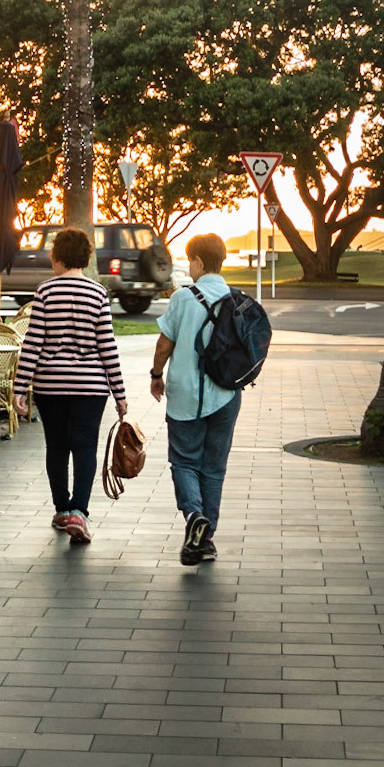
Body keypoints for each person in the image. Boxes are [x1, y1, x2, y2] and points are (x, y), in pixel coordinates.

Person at [13, 227, 127, 544]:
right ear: (86, 257)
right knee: (85, 447)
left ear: (58, 257)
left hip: (50, 385)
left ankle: (62, 509)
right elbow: (107, 346)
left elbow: (33, 344)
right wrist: (119, 393)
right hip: (91, 386)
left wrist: (19, 387)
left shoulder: (45, 292)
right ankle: (80, 511)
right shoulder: (98, 293)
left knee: (57, 447)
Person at [150, 232, 240, 565]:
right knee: (214, 468)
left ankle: (193, 516)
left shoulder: (183, 298)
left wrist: (156, 375)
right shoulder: (235, 299)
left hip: (186, 395)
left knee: (185, 461)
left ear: (199, 262)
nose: (189, 267)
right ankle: (206, 539)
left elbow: (164, 345)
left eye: (190, 260)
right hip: (226, 395)